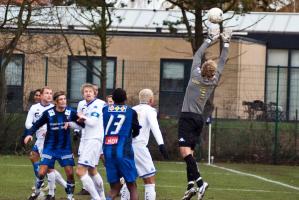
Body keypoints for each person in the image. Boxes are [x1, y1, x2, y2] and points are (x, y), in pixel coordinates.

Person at [179, 25, 232, 200]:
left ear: (202, 69)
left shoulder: (195, 75)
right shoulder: (214, 80)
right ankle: (190, 186)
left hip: (187, 117)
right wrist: (226, 43)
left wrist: (210, 39)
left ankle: (200, 183)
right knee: (191, 154)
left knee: (184, 152)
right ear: (213, 72)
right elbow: (223, 60)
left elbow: (197, 55)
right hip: (198, 119)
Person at [24, 91, 83, 200]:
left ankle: (70, 197)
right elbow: (36, 125)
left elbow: (82, 124)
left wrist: (78, 120)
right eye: (61, 99)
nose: (63, 101)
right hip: (49, 147)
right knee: (41, 173)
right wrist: (29, 135)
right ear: (56, 102)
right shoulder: (48, 113)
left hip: (64, 148)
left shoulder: (70, 112)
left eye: (65, 99)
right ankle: (36, 192)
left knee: (70, 174)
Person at [120, 88, 168, 200]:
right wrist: (161, 144)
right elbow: (154, 127)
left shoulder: (132, 109)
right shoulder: (150, 111)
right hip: (139, 147)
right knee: (149, 179)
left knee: (130, 179)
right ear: (151, 100)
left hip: (125, 147)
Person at [102, 88, 140, 200]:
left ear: (112, 98)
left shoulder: (105, 110)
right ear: (126, 98)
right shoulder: (131, 111)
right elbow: (136, 131)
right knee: (132, 186)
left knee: (115, 187)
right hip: (123, 151)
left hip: (108, 151)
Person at [76, 83, 106, 200]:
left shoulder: (98, 104)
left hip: (94, 140)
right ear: (83, 94)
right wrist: (69, 123)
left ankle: (96, 198)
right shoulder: (86, 105)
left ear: (95, 93)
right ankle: (102, 197)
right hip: (88, 139)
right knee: (92, 170)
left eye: (90, 91)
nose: (88, 93)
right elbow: (82, 124)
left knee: (80, 171)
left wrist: (82, 117)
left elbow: (92, 122)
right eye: (85, 91)